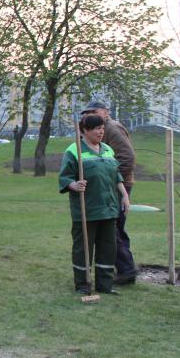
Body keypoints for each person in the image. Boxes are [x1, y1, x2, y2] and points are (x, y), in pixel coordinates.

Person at [59, 114, 130, 295]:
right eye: (97, 128)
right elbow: (65, 177)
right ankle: (83, 284)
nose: (101, 131)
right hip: (86, 210)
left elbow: (116, 175)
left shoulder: (107, 149)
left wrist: (124, 195)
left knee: (108, 247)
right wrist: (74, 185)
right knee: (83, 248)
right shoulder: (74, 151)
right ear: (84, 130)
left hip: (109, 208)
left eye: (102, 128)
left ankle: (105, 285)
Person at [80, 100, 137, 284]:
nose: (88, 115)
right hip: (112, 185)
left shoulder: (111, 128)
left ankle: (127, 270)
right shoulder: (101, 128)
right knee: (115, 228)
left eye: (93, 111)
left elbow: (127, 158)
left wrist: (111, 181)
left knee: (111, 229)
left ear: (105, 112)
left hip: (117, 186)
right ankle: (123, 270)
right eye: (86, 112)